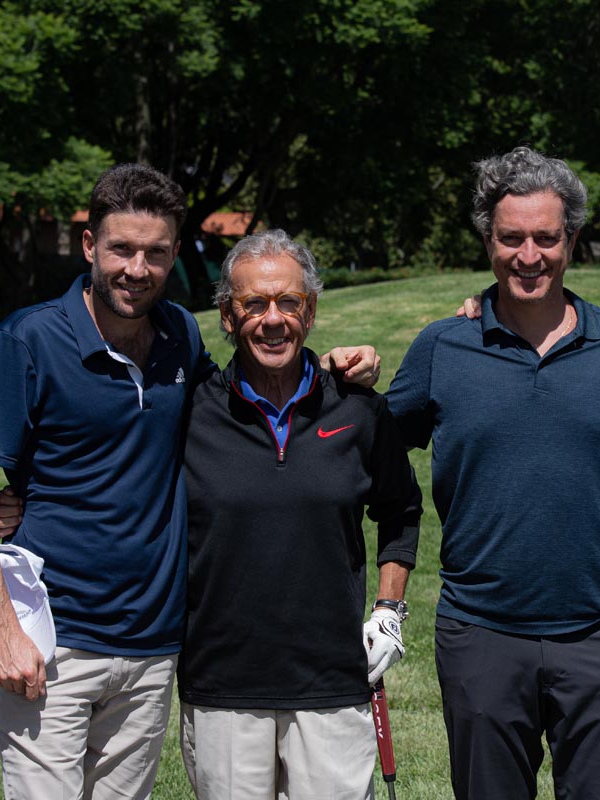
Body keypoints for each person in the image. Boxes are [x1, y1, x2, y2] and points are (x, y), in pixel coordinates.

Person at [0, 163, 379, 800]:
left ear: (174, 255)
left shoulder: (179, 336)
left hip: (153, 648)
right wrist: (2, 629)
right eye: (121, 249)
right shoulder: (27, 341)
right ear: (91, 246)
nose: (136, 269)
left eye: (155, 253)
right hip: (53, 641)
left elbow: (250, 392)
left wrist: (336, 365)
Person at [386, 146, 600, 799]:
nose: (529, 256)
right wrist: (338, 379)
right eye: (511, 238)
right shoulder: (441, 347)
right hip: (480, 632)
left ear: (572, 240)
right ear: (488, 239)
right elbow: (365, 451)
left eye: (546, 238)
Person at [175, 230, 422, 800]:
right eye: (253, 304)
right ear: (226, 316)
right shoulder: (191, 413)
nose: (273, 319)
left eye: (289, 302)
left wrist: (389, 608)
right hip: (222, 683)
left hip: (332, 679)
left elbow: (401, 509)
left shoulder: (359, 410)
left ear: (310, 312)